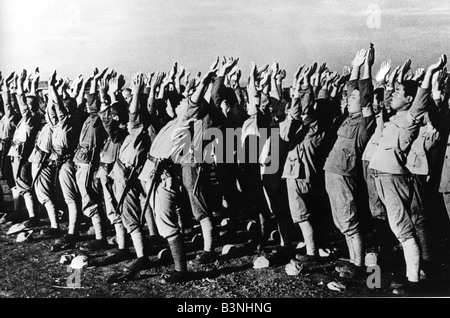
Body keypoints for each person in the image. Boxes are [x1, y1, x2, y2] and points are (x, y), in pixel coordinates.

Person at [369, 54, 447, 295]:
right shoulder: (394, 117)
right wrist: (385, 82)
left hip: (393, 177)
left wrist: (430, 75)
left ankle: (414, 282)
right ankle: (411, 275)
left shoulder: (411, 118)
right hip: (383, 176)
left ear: (410, 99)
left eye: (399, 91)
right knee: (399, 228)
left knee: (403, 230)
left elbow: (421, 102)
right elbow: (381, 101)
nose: (393, 95)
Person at [324, 44, 376, 278]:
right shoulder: (350, 118)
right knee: (341, 219)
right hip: (335, 173)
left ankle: (358, 265)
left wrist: (366, 67)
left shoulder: (365, 120)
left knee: (349, 218)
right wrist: (354, 68)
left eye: (352, 98)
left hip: (344, 174)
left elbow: (364, 94)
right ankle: (354, 259)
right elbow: (352, 90)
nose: (348, 99)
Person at [7, 69, 43, 228]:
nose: (25, 108)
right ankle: (27, 213)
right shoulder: (28, 118)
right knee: (20, 183)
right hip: (16, 153)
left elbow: (23, 106)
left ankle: (33, 216)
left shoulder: (31, 119)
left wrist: (21, 86)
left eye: (29, 105)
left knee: (24, 185)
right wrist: (31, 84)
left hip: (22, 155)